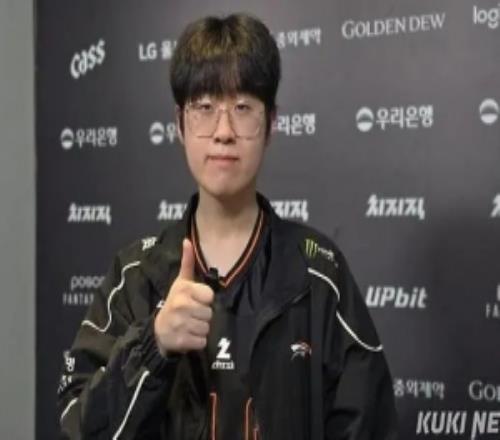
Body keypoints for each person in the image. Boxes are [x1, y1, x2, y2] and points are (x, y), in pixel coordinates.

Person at [58, 13, 398, 440]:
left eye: (242, 108)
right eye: (204, 108)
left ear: (271, 124)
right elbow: (78, 426)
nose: (223, 131)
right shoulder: (134, 278)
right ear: (179, 124)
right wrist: (153, 345)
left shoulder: (318, 275)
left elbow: (369, 424)